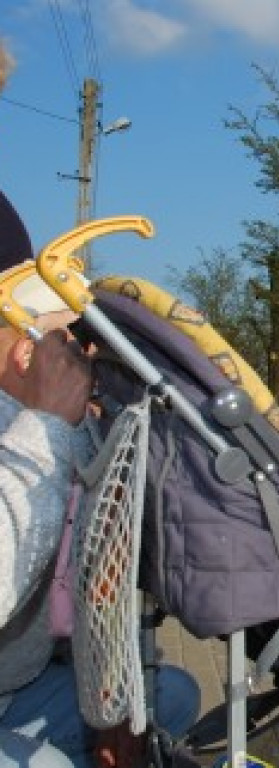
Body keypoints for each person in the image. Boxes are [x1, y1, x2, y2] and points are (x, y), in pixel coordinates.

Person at [0, 205, 199, 765]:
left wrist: (108, 691)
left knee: (163, 699)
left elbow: (90, 577)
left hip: (20, 683)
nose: (73, 356)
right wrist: (46, 423)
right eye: (58, 336)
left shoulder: (46, 420)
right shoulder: (38, 422)